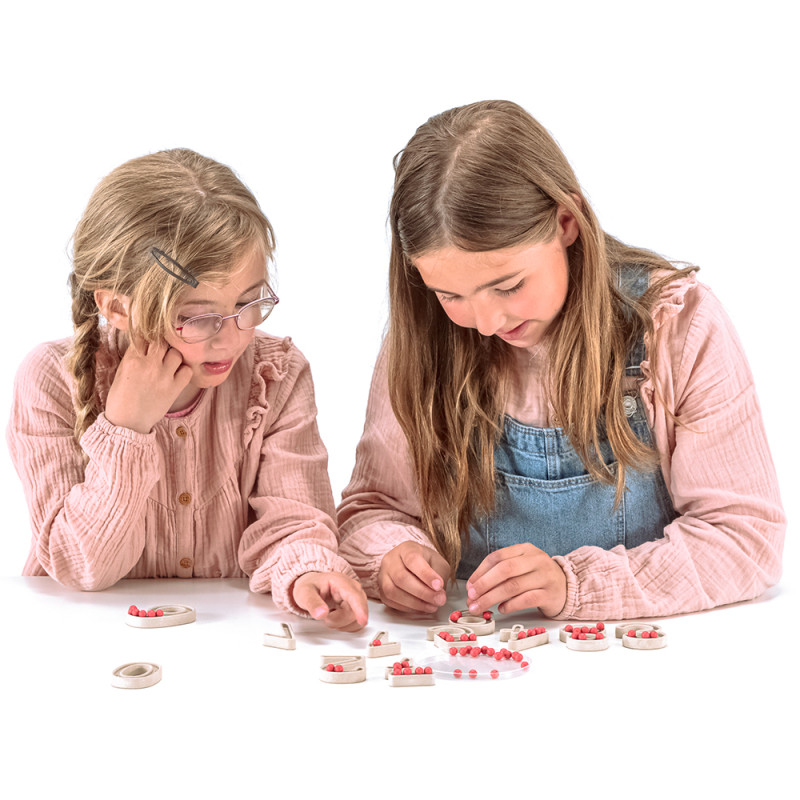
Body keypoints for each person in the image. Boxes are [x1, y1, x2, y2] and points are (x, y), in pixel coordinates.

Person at [337, 100, 785, 621]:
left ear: (567, 222)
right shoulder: (422, 340)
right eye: (450, 296)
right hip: (476, 655)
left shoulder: (677, 326)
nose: (484, 323)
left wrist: (577, 585)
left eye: (507, 285)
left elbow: (743, 538)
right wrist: (392, 556)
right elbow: (373, 510)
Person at [7, 148, 367, 631]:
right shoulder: (50, 380)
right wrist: (127, 427)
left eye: (247, 303)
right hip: (87, 640)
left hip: (230, 638)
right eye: (197, 316)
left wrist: (307, 570)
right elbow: (82, 566)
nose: (233, 337)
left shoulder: (276, 373)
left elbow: (294, 518)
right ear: (116, 308)